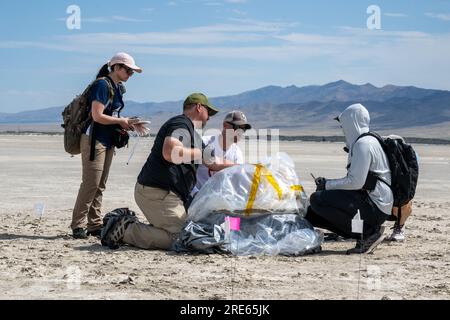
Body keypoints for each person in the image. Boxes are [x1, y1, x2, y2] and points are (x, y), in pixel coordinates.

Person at [101, 93, 234, 250]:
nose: (208, 119)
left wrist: (242, 166)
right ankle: (125, 229)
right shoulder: (180, 124)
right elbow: (170, 152)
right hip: (157, 193)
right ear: (199, 107)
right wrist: (198, 154)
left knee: (194, 229)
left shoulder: (194, 135)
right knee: (183, 237)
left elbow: (214, 162)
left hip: (168, 196)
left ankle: (153, 227)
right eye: (208, 113)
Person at [71, 52, 142, 239]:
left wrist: (129, 123)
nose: (130, 75)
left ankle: (94, 224)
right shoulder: (102, 85)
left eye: (132, 72)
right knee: (91, 183)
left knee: (100, 184)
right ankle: (78, 225)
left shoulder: (117, 87)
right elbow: (97, 116)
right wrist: (121, 121)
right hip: (94, 140)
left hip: (107, 140)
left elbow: (112, 115)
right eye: (128, 70)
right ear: (117, 67)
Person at [305, 103, 393, 254]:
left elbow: (356, 182)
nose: (343, 129)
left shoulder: (363, 144)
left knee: (317, 199)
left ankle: (368, 233)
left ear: (352, 122)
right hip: (374, 204)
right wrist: (328, 184)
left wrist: (327, 185)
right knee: (311, 213)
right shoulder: (368, 141)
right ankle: (362, 233)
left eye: (343, 124)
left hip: (375, 205)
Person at [190, 110, 251, 197]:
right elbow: (185, 171)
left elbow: (237, 180)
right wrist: (194, 193)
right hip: (196, 199)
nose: (240, 132)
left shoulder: (237, 153)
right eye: (237, 127)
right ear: (225, 126)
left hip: (218, 201)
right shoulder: (204, 143)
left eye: (243, 129)